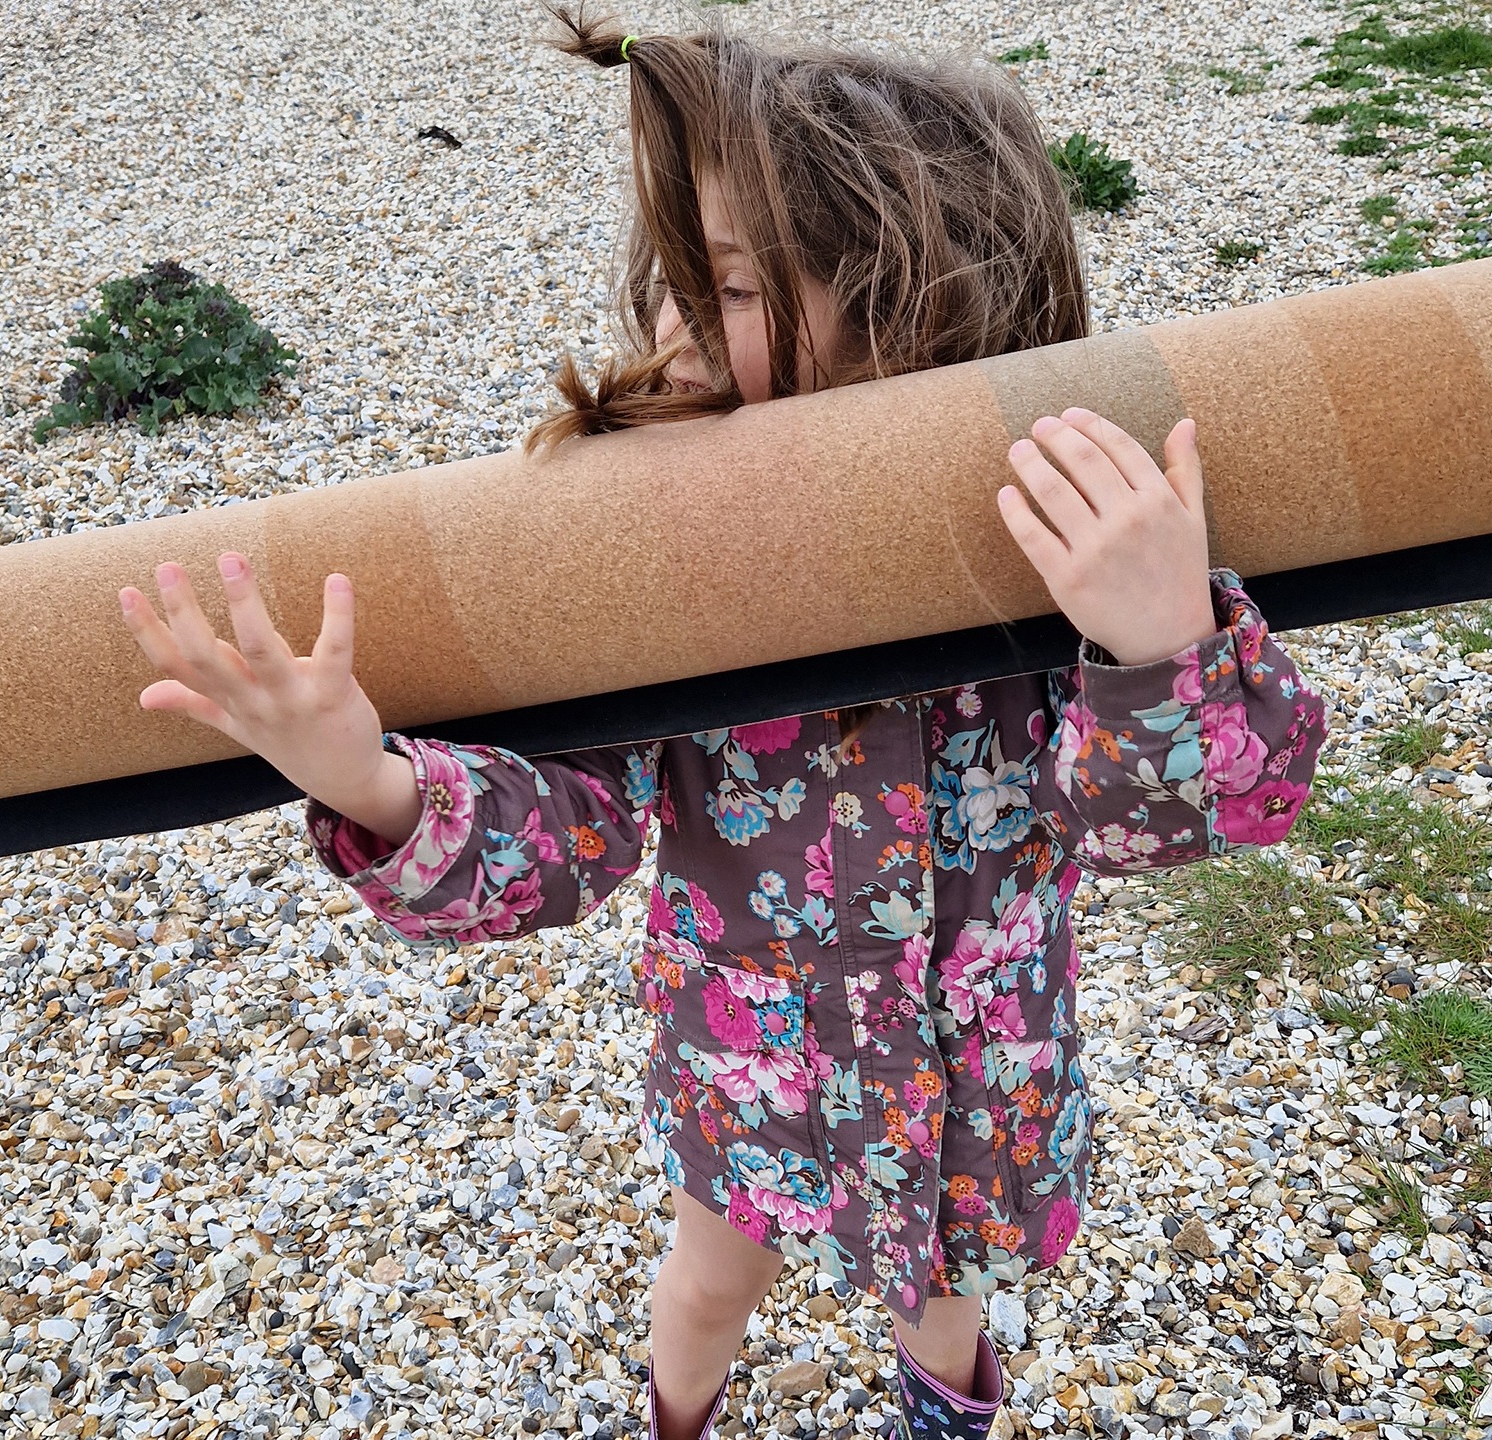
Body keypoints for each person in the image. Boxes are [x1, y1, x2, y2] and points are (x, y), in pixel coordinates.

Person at [117, 7, 1331, 1439]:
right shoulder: (661, 571)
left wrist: (1156, 641)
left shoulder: (1061, 551)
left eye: (737, 284)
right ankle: (672, 1422)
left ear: (920, 305)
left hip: (974, 1080)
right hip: (750, 1067)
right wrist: (372, 782)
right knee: (703, 1289)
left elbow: (1197, 818)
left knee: (944, 1313)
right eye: (675, 275)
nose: (671, 320)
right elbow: (570, 836)